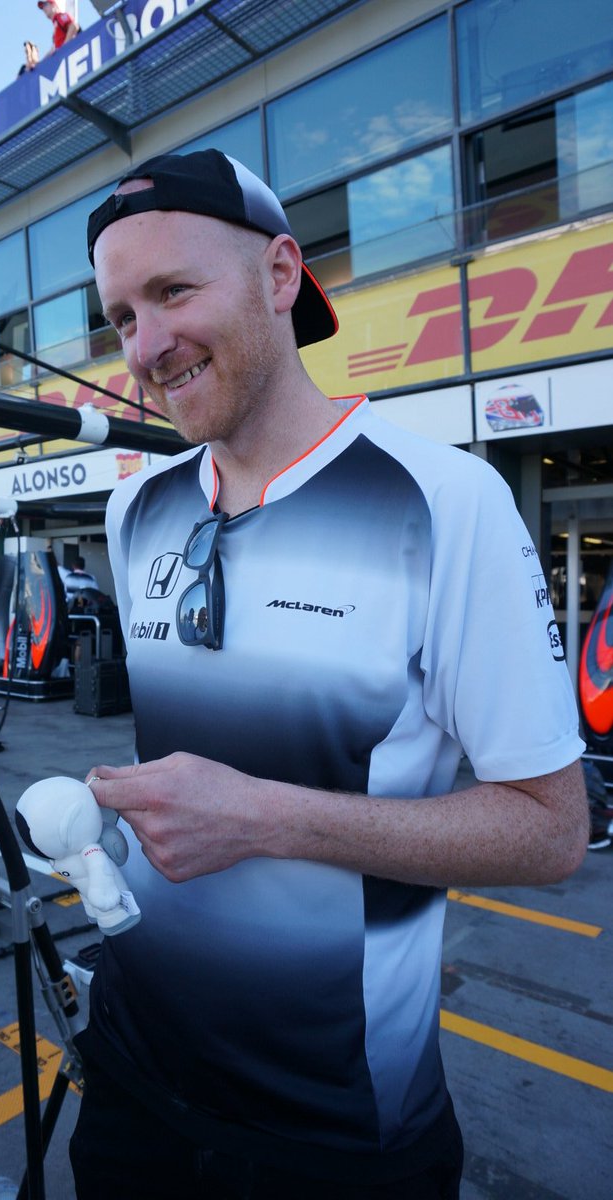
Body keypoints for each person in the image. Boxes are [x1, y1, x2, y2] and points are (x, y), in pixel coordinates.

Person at [69, 149, 588, 1198]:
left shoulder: (445, 501)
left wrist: (264, 818)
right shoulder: (137, 512)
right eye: (122, 316)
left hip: (335, 1127)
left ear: (277, 275)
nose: (146, 346)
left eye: (173, 291)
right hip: (131, 1074)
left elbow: (550, 830)